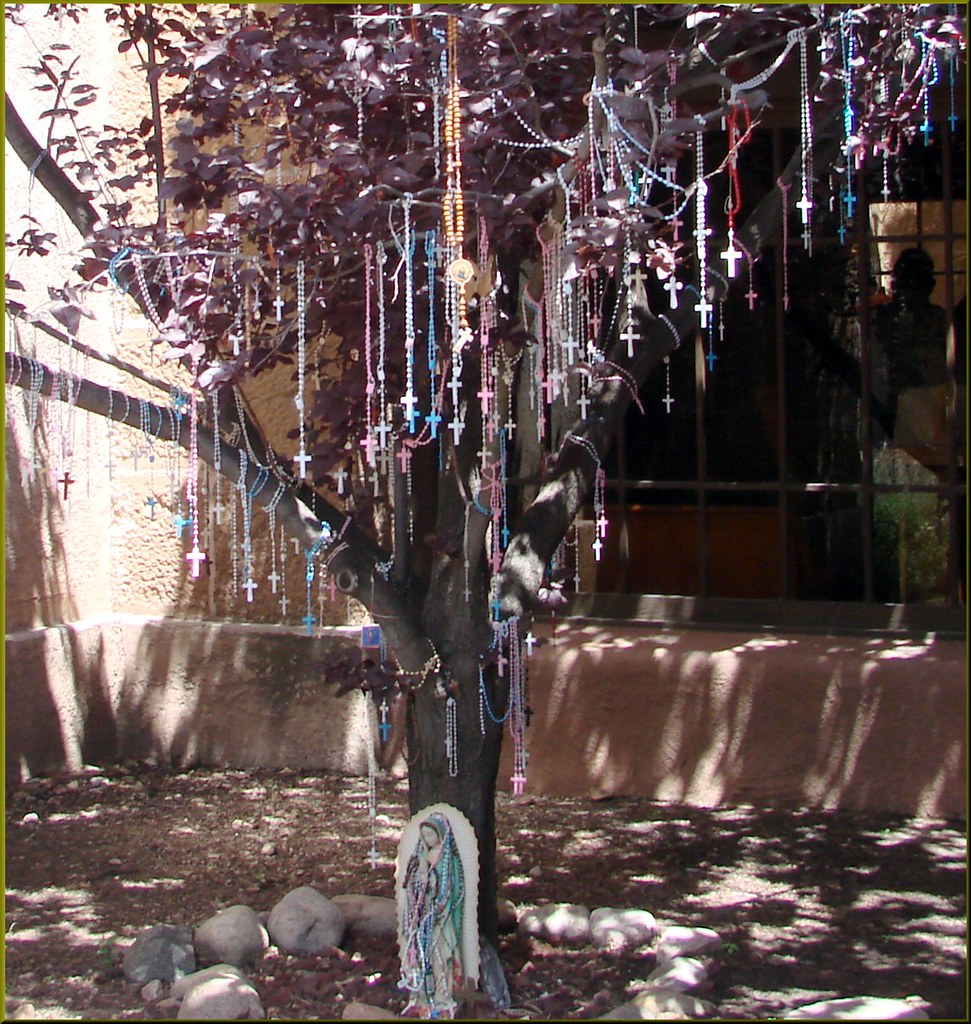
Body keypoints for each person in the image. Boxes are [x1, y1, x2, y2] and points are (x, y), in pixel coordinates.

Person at [870, 247, 949, 447]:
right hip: (894, 421)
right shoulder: (878, 320)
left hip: (925, 422)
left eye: (914, 282)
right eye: (905, 280)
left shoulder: (941, 322)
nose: (908, 288)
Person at [398, 811, 467, 1019]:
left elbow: (452, 889)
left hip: (441, 917)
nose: (428, 839)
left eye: (431, 835)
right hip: (424, 917)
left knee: (442, 957)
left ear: (441, 834)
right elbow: (415, 885)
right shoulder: (422, 857)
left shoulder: (448, 861)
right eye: (425, 836)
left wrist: (438, 907)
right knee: (422, 957)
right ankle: (423, 997)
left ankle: (442, 997)